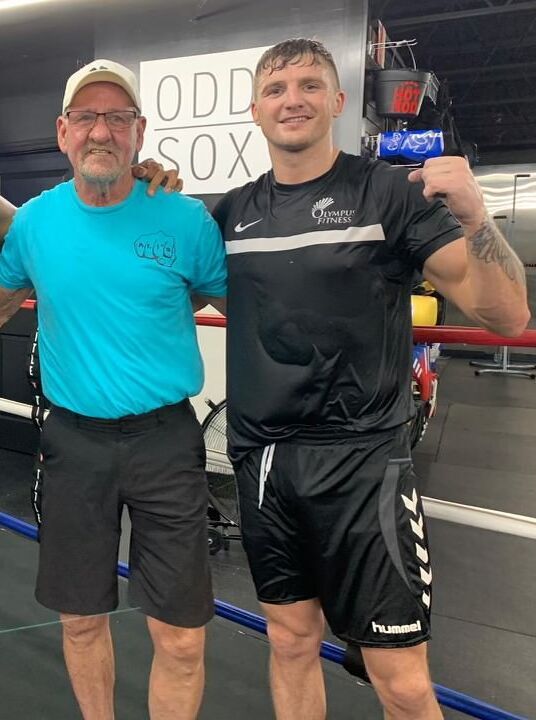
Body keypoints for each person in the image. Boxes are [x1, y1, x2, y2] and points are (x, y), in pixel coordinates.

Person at [208, 39, 529, 720]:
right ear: (255, 110)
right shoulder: (231, 213)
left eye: (309, 85)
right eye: (275, 89)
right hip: (264, 461)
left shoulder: (384, 193)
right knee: (290, 641)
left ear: (337, 100)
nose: (292, 99)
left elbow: (506, 316)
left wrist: (476, 217)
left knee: (402, 681)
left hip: (363, 464)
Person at [0, 59, 226, 720]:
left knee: (181, 637)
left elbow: (255, 305)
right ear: (63, 131)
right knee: (79, 622)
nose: (102, 130)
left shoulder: (183, 220)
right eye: (87, 117)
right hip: (74, 443)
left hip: (166, 442)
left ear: (139, 130)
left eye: (117, 117)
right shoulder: (35, 224)